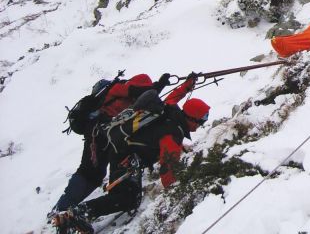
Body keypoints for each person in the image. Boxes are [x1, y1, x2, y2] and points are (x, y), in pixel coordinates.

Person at [51, 76, 206, 233]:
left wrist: (187, 85)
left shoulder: (170, 109)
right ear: (192, 119)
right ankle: (78, 214)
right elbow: (168, 171)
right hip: (126, 158)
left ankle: (76, 214)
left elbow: (174, 96)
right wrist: (178, 192)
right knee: (127, 198)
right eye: (202, 120)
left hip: (122, 150)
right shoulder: (172, 136)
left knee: (123, 193)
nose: (202, 123)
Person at [50, 73, 174, 216]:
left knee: (94, 173)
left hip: (109, 133)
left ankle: (110, 197)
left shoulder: (132, 93)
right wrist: (157, 86)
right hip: (98, 134)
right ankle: (62, 208)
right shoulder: (119, 88)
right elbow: (143, 93)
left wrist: (161, 84)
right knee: (89, 173)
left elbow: (145, 95)